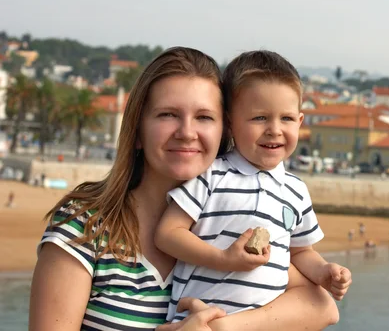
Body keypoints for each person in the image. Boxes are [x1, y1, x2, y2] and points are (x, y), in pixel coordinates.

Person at [29, 47, 339, 331]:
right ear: (137, 130)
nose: (187, 132)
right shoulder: (86, 227)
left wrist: (223, 327)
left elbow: (322, 306)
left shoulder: (230, 224)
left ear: (224, 130)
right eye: (168, 115)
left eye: (204, 117)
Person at [155, 50, 352, 321]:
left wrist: (324, 273)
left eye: (286, 118)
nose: (274, 129)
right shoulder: (212, 174)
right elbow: (168, 234)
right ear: (230, 123)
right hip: (196, 321)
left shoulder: (296, 190)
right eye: (260, 118)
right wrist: (223, 259)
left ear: (300, 121)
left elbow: (301, 251)